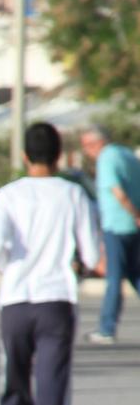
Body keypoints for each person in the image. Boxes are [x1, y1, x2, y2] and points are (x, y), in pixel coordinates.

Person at [0, 119, 103, 405]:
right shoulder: (73, 195)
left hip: (16, 299)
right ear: (59, 155)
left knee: (13, 386)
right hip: (56, 299)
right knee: (52, 391)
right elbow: (89, 253)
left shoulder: (7, 195)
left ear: (24, 155)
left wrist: (12, 267)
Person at [80, 124, 140, 343]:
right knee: (135, 273)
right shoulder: (127, 155)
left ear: (96, 143)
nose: (87, 151)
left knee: (114, 278)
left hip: (117, 224)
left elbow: (117, 191)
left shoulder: (106, 158)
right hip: (133, 225)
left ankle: (106, 328)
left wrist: (133, 212)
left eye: (86, 145)